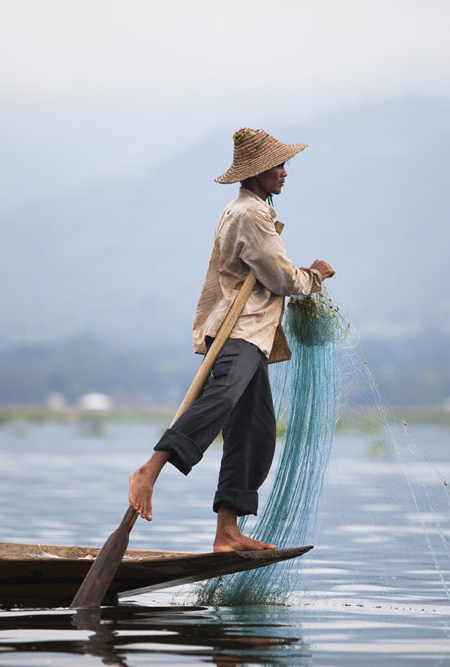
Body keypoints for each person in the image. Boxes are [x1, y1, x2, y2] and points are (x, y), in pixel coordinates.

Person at [128, 128, 335, 552]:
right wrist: (315, 276)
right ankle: (150, 468)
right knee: (220, 401)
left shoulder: (250, 210)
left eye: (284, 165)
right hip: (238, 333)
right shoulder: (249, 214)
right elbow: (281, 277)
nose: (284, 173)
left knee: (254, 432)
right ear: (256, 172)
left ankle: (227, 532)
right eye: (277, 166)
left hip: (255, 336)